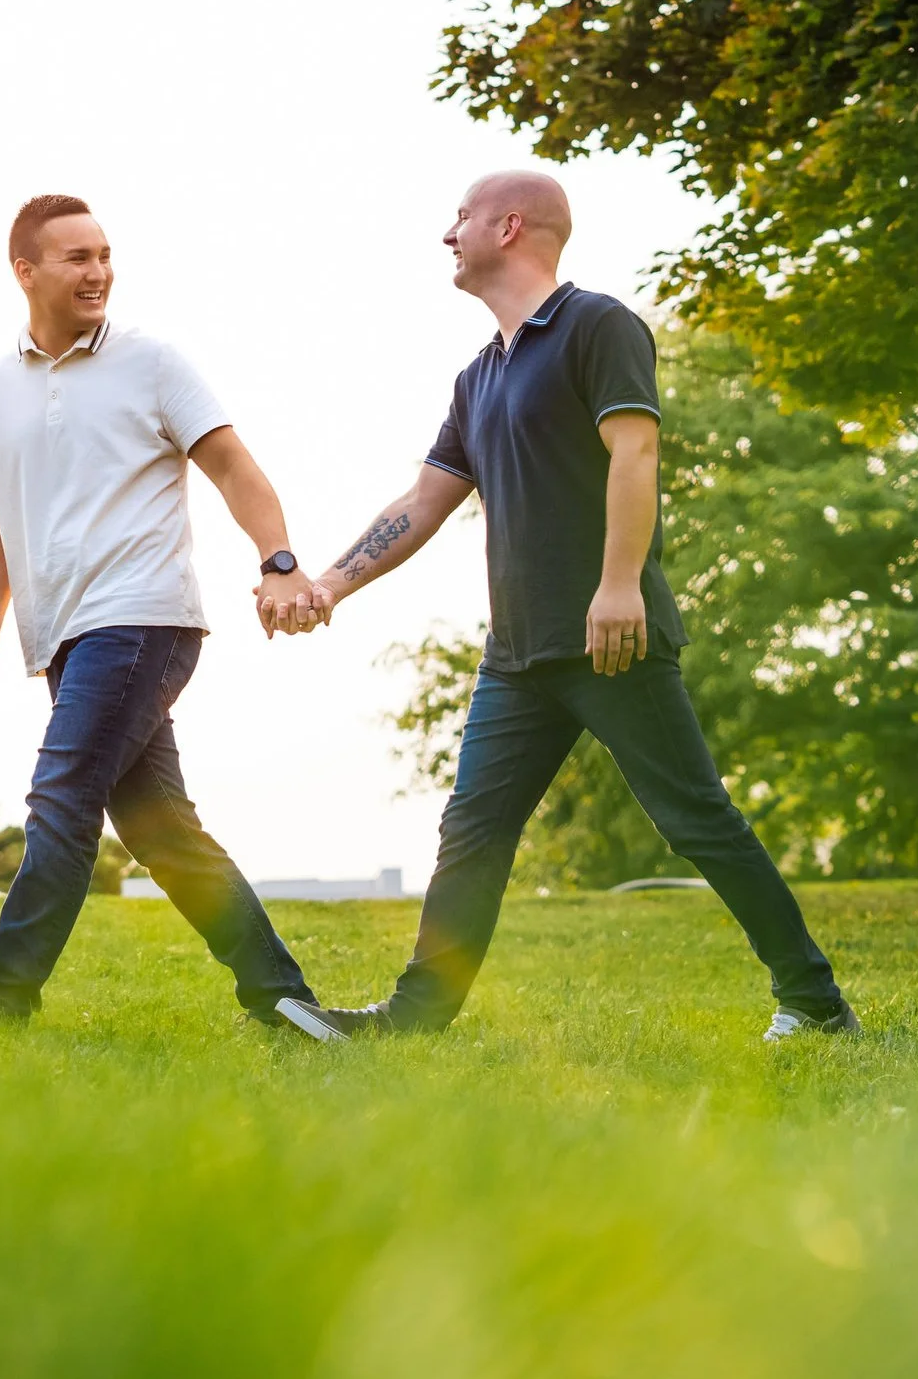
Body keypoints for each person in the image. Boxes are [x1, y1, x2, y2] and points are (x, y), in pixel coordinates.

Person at [264, 171, 859, 1044]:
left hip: (611, 638)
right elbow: (423, 501)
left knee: (696, 820)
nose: (446, 233)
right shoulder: (480, 376)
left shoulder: (597, 325)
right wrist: (328, 583)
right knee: (472, 829)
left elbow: (636, 450)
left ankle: (814, 1000)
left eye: (459, 216)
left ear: (509, 227)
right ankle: (415, 1018)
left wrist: (619, 585)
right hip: (519, 654)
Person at [0, 194, 325, 1029]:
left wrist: (278, 561)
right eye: (77, 257)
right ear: (26, 270)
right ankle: (285, 999)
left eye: (105, 254)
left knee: (63, 793)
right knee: (161, 832)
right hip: (63, 636)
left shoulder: (151, 361)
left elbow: (233, 466)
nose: (99, 272)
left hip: (143, 615)